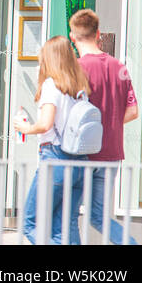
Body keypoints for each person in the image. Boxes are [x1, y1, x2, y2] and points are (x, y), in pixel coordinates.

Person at [71, 9, 140, 245]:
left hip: (82, 153)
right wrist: (109, 122)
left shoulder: (77, 68)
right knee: (98, 216)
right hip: (111, 153)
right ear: (98, 34)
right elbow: (133, 111)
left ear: (73, 37)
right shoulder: (119, 67)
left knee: (68, 215)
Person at [12, 36, 90, 244]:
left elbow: (45, 124)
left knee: (30, 223)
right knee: (65, 225)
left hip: (55, 159)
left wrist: (26, 128)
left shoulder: (51, 86)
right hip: (80, 162)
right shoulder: (80, 89)